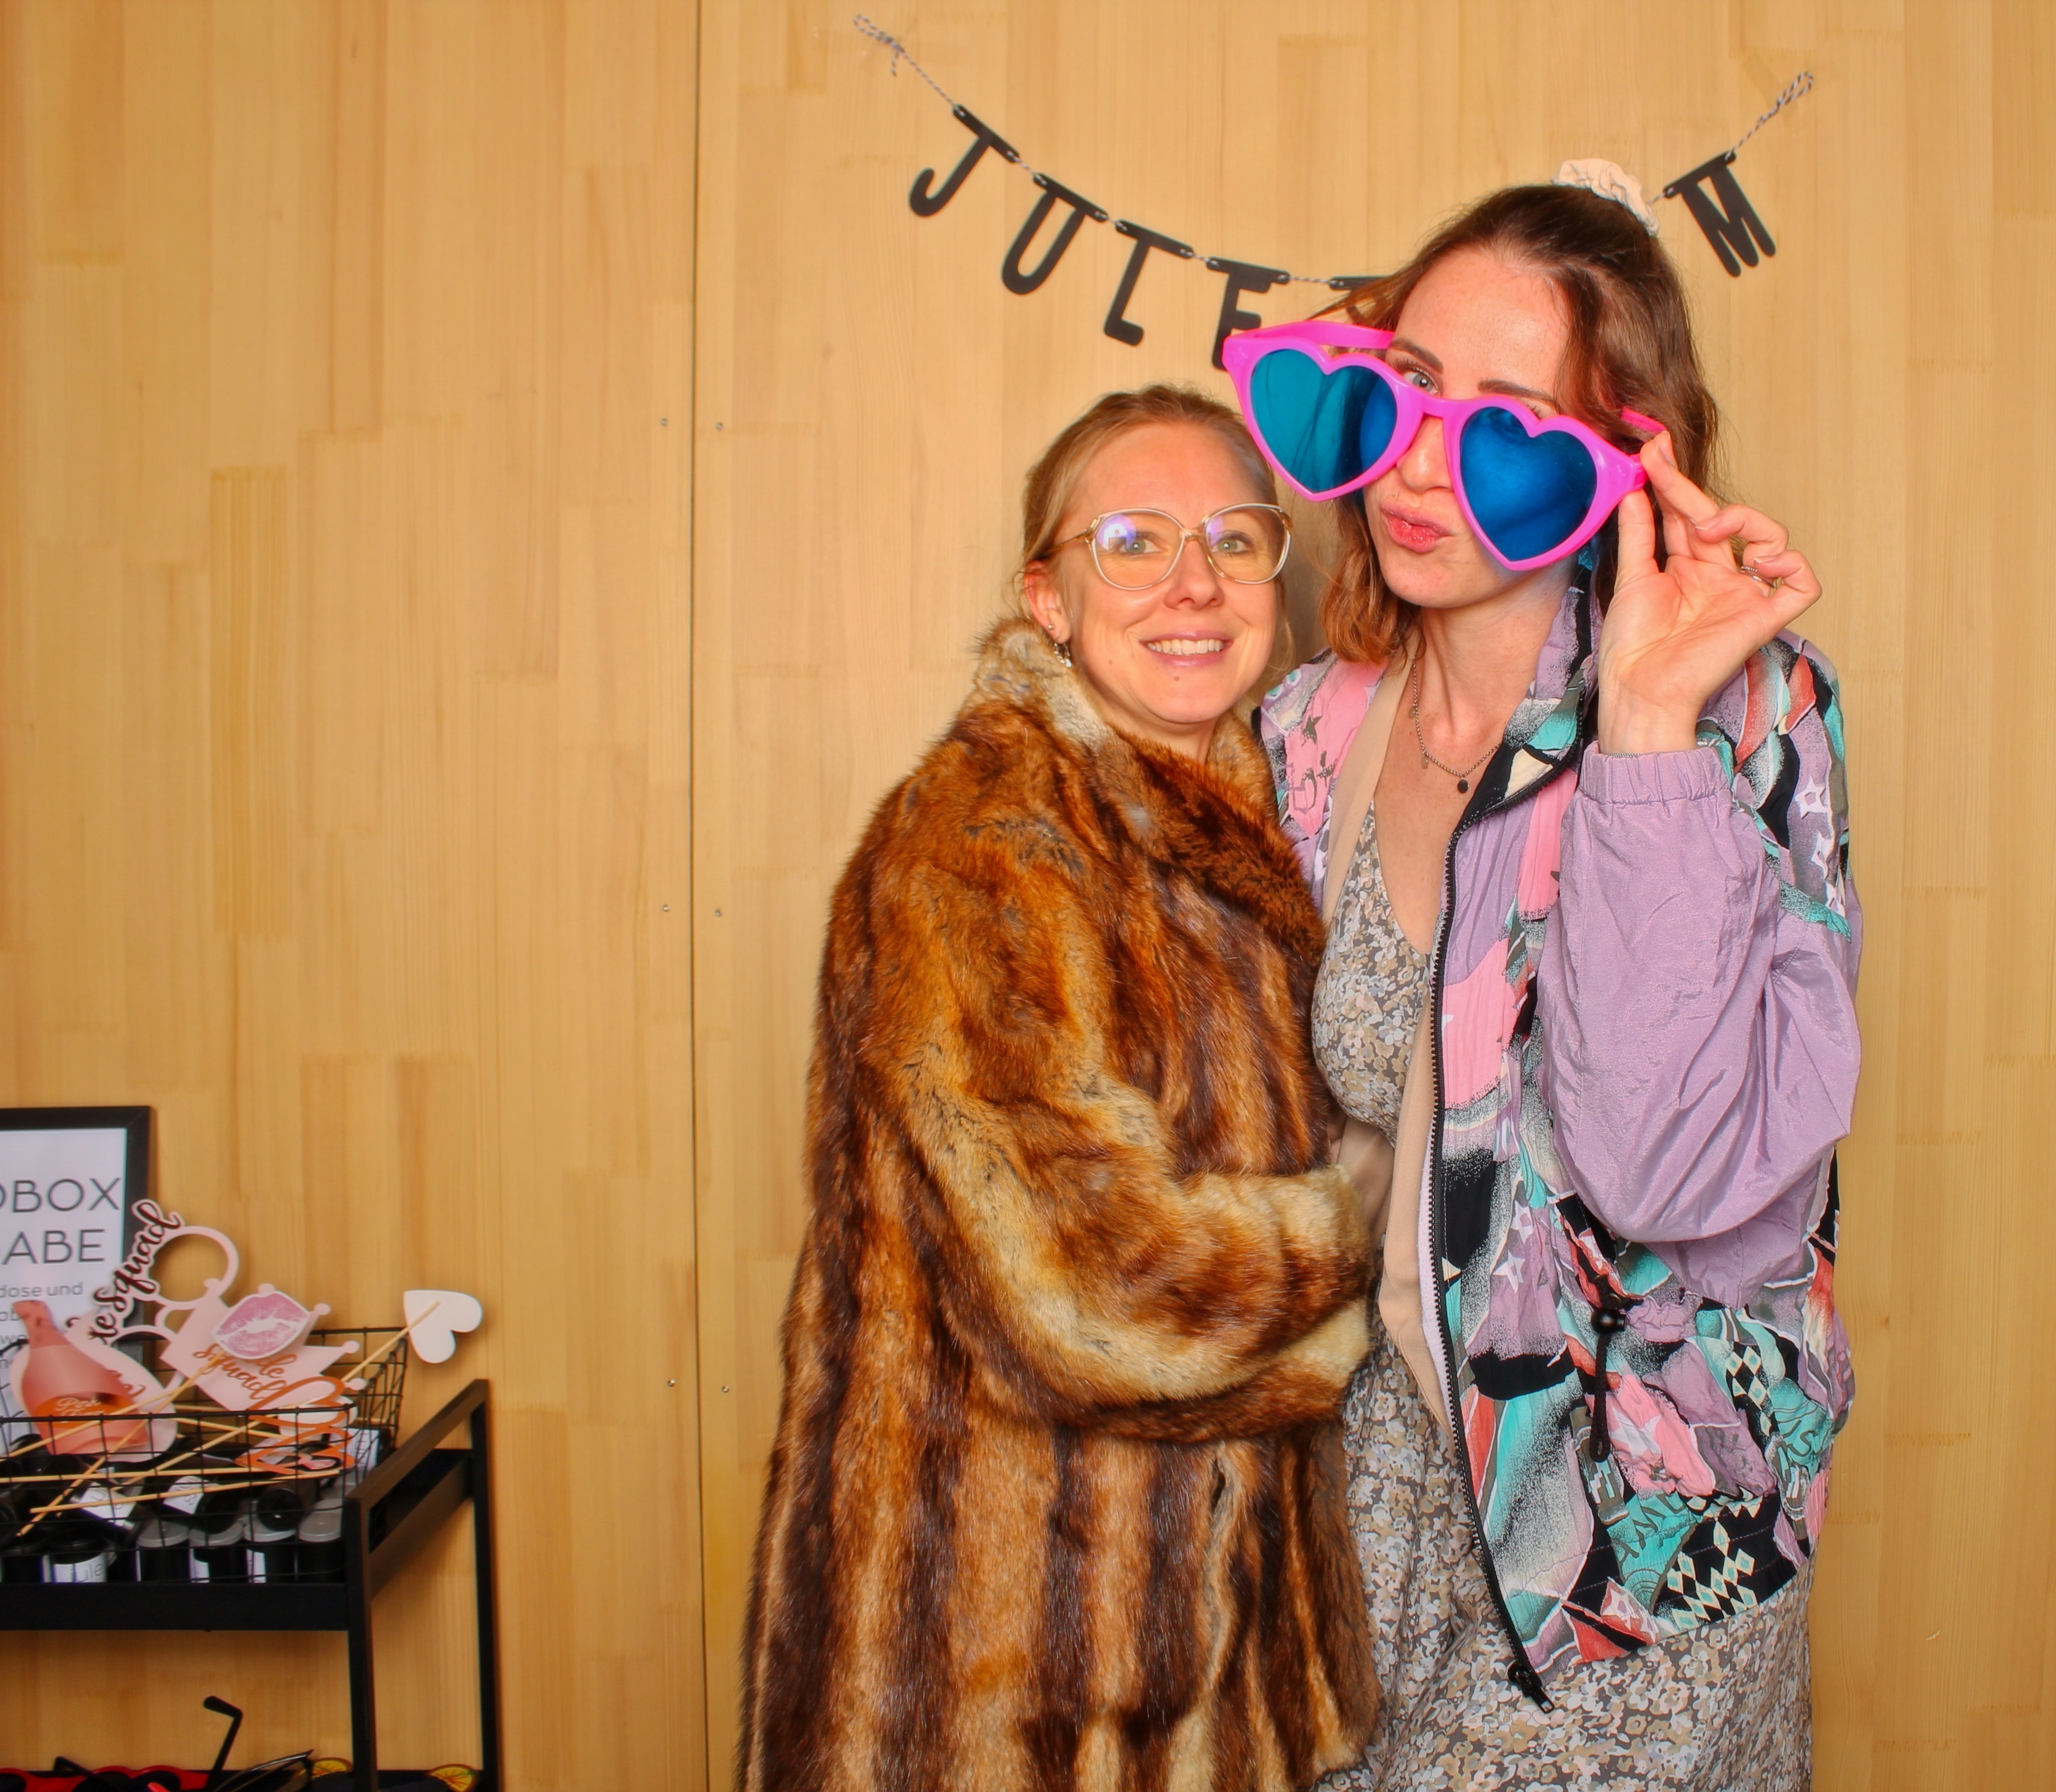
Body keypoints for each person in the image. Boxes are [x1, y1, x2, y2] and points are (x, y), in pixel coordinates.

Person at [1235, 176, 1861, 1789]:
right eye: (1407, 391)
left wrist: (1644, 735)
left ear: (1624, 463)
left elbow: (1665, 1169)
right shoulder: (1308, 732)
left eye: (1504, 430)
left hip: (1635, 1546)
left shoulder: (1753, 713)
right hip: (1368, 1507)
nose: (1421, 467)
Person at [739, 385, 1382, 1792]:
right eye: (1133, 542)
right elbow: (1098, 1290)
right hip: (1009, 1664)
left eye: (1234, 538)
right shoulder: (989, 838)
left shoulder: (1265, 805)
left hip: (1199, 1638)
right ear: (1050, 598)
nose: (1194, 583)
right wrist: (1365, 1230)